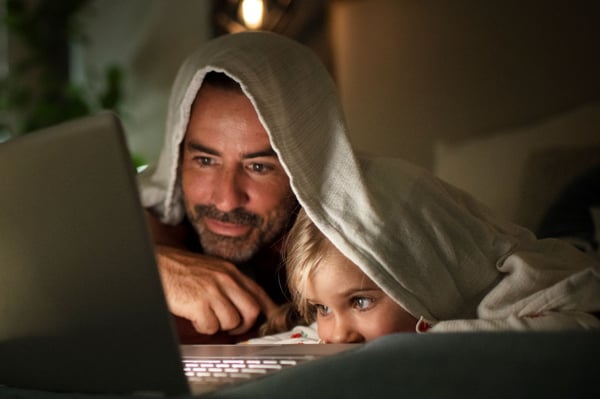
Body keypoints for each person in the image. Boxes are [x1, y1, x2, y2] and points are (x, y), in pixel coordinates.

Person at [137, 31, 353, 343]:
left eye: (258, 167)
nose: (226, 201)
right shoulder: (138, 224)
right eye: (205, 160)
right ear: (177, 155)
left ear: (307, 165)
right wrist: (152, 268)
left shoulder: (355, 248)